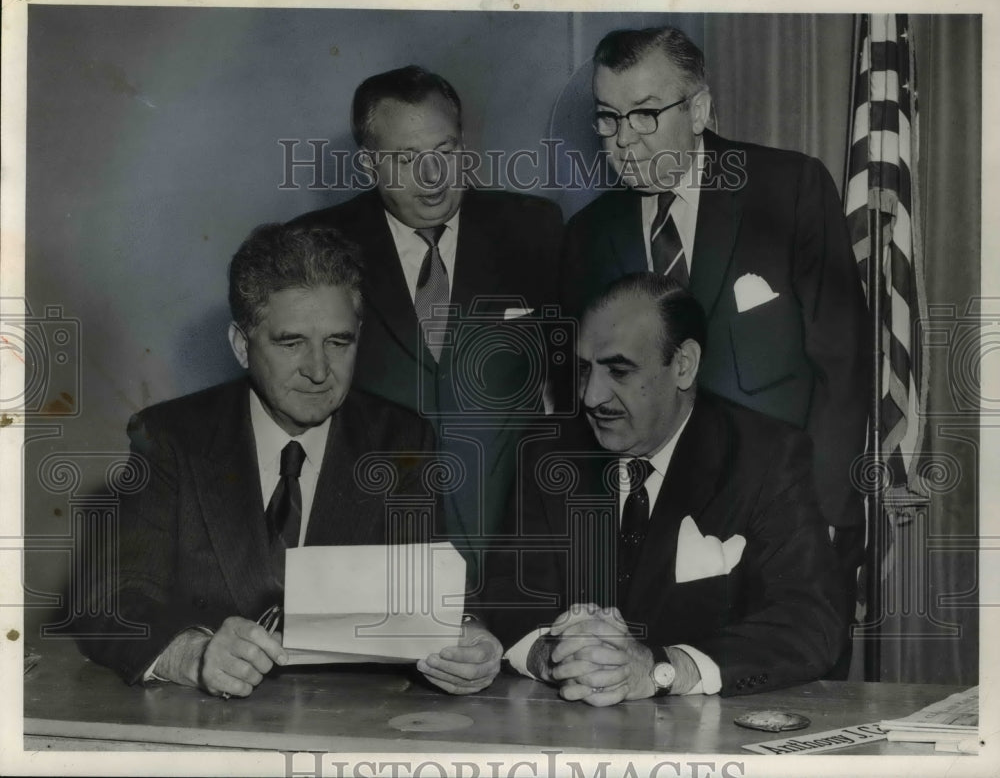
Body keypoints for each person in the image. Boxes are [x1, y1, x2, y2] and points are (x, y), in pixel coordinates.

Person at [75, 223, 501, 697]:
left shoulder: (400, 440)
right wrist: (191, 656)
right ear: (241, 345)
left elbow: (434, 594)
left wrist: (468, 641)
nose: (319, 371)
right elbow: (111, 604)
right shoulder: (171, 437)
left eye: (339, 342)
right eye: (291, 342)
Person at [560, 27, 870, 592]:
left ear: (699, 110)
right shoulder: (588, 234)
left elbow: (844, 366)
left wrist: (824, 518)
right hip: (653, 540)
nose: (625, 141)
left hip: (787, 516)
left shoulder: (789, 188)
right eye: (609, 117)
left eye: (646, 114)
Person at [479, 274, 844, 703]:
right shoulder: (547, 452)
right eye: (583, 370)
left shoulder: (767, 457)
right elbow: (508, 595)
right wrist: (552, 656)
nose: (592, 396)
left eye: (619, 370)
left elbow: (811, 621)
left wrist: (662, 669)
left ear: (683, 365)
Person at [289, 66, 565, 583]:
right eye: (407, 160)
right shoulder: (313, 245)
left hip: (512, 545)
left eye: (445, 150)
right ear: (370, 163)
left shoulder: (535, 229)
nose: (434, 177)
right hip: (371, 549)